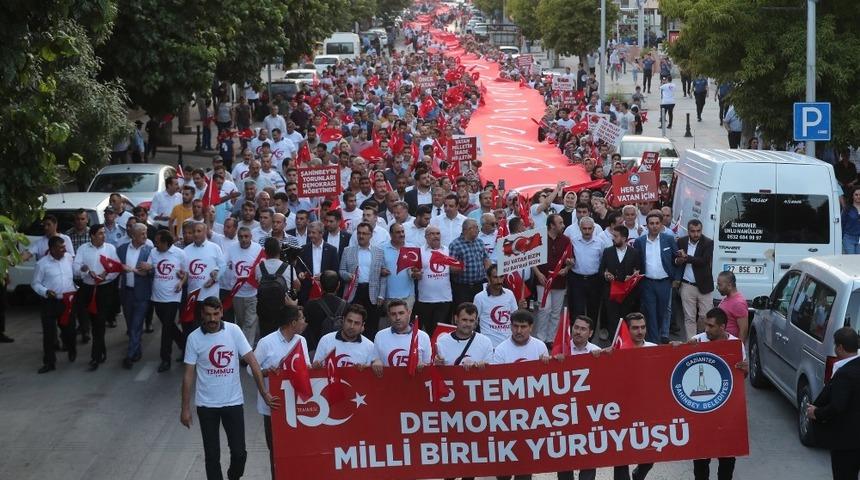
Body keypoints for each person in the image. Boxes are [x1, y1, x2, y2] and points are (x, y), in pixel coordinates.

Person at [180, 296, 274, 480]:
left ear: (222, 312)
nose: (212, 319)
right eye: (208, 314)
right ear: (202, 315)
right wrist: (184, 409)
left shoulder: (234, 331)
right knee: (212, 456)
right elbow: (188, 375)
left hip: (233, 403)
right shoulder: (193, 338)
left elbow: (253, 362)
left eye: (216, 314)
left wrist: (264, 392)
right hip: (206, 406)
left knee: (239, 454)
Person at [251, 303, 306, 480]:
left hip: (297, 406)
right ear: (292, 323)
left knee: (297, 449)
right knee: (276, 451)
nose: (304, 322)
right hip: (273, 407)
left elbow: (305, 368)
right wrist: (268, 371)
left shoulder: (301, 341)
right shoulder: (266, 343)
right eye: (301, 319)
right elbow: (250, 369)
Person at [807, 327, 860, 480]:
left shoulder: (844, 374)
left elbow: (837, 406)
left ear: (840, 347)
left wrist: (816, 413)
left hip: (847, 442)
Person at [555, 314, 601, 480]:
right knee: (564, 455)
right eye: (576, 327)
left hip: (589, 413)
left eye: (583, 329)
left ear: (590, 333)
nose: (578, 332)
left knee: (589, 455)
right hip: (564, 412)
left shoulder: (597, 352)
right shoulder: (560, 349)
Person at [74, 224, 121, 371]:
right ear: (92, 235)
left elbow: (116, 267)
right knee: (94, 322)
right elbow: (76, 267)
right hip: (88, 288)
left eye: (104, 233)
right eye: (100, 233)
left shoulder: (110, 249)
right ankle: (101, 350)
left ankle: (95, 357)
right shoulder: (83, 249)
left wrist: (105, 275)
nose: (103, 236)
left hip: (104, 289)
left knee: (100, 321)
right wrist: (86, 271)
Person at [31, 236, 78, 373]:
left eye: (64, 247)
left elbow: (76, 272)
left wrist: (84, 270)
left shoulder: (69, 258)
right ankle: (49, 362)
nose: (64, 249)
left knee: (69, 330)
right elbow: (35, 283)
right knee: (49, 335)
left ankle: (71, 348)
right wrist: (45, 291)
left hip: (67, 302)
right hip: (50, 303)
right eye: (61, 247)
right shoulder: (42, 264)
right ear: (51, 249)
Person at [634, 211, 679, 344]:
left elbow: (676, 259)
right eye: (651, 223)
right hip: (647, 283)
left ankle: (656, 337)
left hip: (665, 283)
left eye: (657, 223)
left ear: (661, 224)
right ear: (647, 225)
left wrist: (676, 277)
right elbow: (636, 261)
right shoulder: (639, 241)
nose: (654, 226)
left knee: (662, 313)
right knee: (650, 313)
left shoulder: (668, 239)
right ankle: (653, 342)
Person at [147, 230, 187, 372]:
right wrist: (146, 268)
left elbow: (185, 273)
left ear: (165, 242)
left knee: (166, 328)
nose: (155, 244)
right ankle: (184, 344)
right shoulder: (153, 252)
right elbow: (149, 267)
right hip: (157, 296)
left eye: (158, 242)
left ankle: (165, 359)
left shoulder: (179, 254)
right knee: (168, 325)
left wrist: (181, 282)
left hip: (173, 296)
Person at [339, 222, 387, 339]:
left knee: (371, 325)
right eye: (359, 233)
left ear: (371, 235)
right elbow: (341, 270)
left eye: (365, 233)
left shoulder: (379, 252)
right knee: (352, 323)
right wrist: (348, 276)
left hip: (372, 293)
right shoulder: (348, 250)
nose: (361, 236)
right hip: (354, 292)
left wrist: (381, 295)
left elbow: (383, 274)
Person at [117, 223, 153, 369]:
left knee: (136, 325)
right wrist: (121, 268)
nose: (145, 236)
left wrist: (146, 269)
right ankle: (137, 350)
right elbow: (116, 266)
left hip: (142, 294)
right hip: (127, 293)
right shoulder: (122, 249)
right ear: (133, 235)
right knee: (131, 323)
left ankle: (130, 355)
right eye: (142, 234)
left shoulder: (150, 251)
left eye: (146, 233)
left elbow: (150, 272)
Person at [533, 214, 572, 343]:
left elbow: (570, 260)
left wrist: (566, 269)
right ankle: (540, 338)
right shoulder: (539, 238)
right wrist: (538, 274)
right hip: (543, 280)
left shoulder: (566, 240)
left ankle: (551, 339)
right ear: (551, 225)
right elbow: (531, 259)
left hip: (559, 282)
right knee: (544, 309)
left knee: (556, 311)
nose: (563, 225)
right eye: (560, 223)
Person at [412, 225, 457, 335]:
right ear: (426, 237)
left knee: (439, 332)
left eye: (437, 233)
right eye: (432, 234)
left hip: (444, 298)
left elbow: (455, 269)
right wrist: (416, 274)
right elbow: (414, 272)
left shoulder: (448, 250)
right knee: (428, 330)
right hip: (425, 299)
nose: (435, 236)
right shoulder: (419, 252)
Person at [599, 225, 641, 341]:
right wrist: (606, 275)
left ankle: (625, 343)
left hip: (627, 294)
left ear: (624, 238)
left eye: (616, 236)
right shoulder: (608, 252)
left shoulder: (634, 253)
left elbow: (638, 271)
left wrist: (632, 277)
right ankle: (614, 344)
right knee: (612, 320)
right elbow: (601, 270)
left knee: (626, 319)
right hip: (611, 292)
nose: (613, 238)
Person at [674, 219, 714, 340]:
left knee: (705, 316)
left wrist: (686, 257)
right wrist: (679, 260)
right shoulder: (681, 241)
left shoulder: (708, 242)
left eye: (698, 231)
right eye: (693, 231)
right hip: (687, 285)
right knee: (689, 317)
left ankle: (701, 337)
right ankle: (691, 343)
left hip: (704, 285)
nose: (696, 234)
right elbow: (675, 260)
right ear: (688, 231)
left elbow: (704, 261)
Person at [224, 227, 264, 346]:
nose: (243, 239)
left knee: (250, 322)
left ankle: (247, 351)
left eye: (246, 236)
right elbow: (223, 263)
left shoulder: (258, 249)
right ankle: (247, 344)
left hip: (253, 292)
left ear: (251, 237)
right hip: (237, 293)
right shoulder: (231, 249)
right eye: (241, 236)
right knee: (241, 323)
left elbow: (262, 268)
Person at [371, 299, 431, 372]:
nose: (397, 318)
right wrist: (375, 362)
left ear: (409, 313)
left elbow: (429, 366)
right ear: (388, 315)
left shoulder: (423, 336)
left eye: (401, 313)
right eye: (393, 314)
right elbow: (375, 360)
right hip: (388, 382)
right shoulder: (380, 336)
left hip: (414, 382)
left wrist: (423, 365)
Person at [312, 303, 376, 368]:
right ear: (343, 320)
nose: (352, 326)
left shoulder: (370, 347)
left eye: (356, 323)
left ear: (362, 325)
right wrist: (316, 367)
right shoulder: (326, 340)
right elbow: (316, 371)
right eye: (349, 321)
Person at [434, 302, 493, 369]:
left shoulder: (485, 342)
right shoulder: (442, 342)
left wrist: (483, 366)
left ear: (476, 322)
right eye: (464, 320)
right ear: (456, 319)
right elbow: (436, 373)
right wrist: (437, 366)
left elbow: (491, 372)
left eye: (471, 321)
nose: (468, 324)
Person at [568, 216, 605, 323]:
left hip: (594, 280)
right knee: (576, 309)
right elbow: (569, 257)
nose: (587, 231)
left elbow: (602, 259)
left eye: (589, 228)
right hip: (577, 280)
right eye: (584, 228)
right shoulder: (573, 241)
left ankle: (590, 336)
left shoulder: (600, 243)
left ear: (593, 228)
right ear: (580, 228)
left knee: (593, 309)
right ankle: (577, 335)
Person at [473, 264, 519, 347]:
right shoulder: (479, 297)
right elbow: (473, 321)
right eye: (495, 277)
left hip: (508, 344)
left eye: (501, 277)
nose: (499, 281)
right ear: (488, 277)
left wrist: (522, 308)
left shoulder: (510, 294)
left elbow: (515, 317)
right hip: (488, 346)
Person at [448, 219, 491, 308]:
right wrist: (460, 269)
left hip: (479, 285)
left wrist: (490, 274)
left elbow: (486, 259)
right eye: (475, 228)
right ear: (466, 230)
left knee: (479, 309)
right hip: (462, 288)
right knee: (463, 310)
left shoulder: (479, 242)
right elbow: (450, 267)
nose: (478, 230)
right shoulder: (455, 245)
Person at [303, 270, 348, 351]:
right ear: (338, 285)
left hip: (316, 349)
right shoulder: (346, 306)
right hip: (340, 350)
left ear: (320, 285)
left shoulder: (311, 305)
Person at [297, 222, 339, 304]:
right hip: (307, 290)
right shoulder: (303, 249)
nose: (310, 235)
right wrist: (300, 273)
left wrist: (324, 275)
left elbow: (335, 270)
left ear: (321, 234)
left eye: (313, 233)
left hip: (325, 289)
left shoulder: (332, 250)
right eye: (309, 233)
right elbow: (298, 266)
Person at [381, 223, 417, 309]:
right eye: (398, 232)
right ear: (390, 234)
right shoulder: (382, 248)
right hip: (389, 295)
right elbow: (376, 269)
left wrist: (416, 273)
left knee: (406, 322)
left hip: (408, 296)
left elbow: (415, 270)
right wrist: (380, 271)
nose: (401, 234)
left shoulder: (412, 247)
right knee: (392, 322)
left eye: (402, 231)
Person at [716, 271, 748, 344]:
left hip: (730, 346)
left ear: (729, 285)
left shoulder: (738, 303)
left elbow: (743, 330)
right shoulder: (727, 298)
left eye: (720, 285)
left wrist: (738, 349)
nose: (717, 288)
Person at [841, 189, 860, 254]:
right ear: (852, 196)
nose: (858, 196)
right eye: (856, 195)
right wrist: (841, 237)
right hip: (849, 238)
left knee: (858, 260)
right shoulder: (847, 209)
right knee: (851, 259)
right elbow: (842, 224)